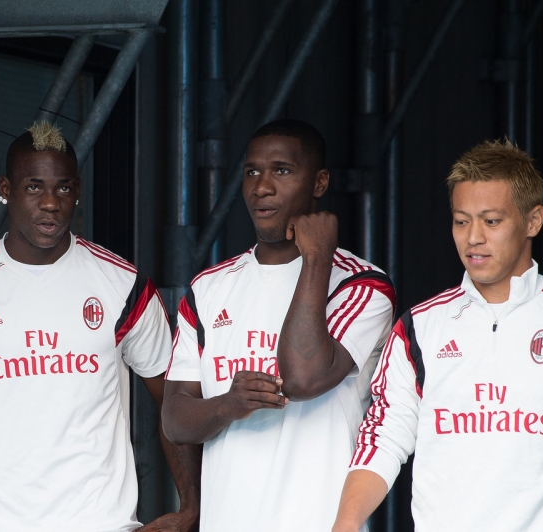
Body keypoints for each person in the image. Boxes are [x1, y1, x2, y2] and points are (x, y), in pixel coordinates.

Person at [332, 140, 543, 532]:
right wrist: (345, 524)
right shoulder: (418, 328)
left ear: (533, 221)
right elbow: (383, 437)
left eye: (492, 221)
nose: (473, 237)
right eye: (461, 221)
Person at [0, 122, 201, 532]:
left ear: (77, 191)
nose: (50, 203)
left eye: (63, 188)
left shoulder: (123, 286)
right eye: (33, 187)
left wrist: (192, 507)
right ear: (6, 189)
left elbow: (177, 403)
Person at [161, 119, 395, 532]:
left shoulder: (362, 284)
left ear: (319, 182)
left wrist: (317, 258)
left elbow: (303, 379)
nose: (262, 187)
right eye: (252, 171)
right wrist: (227, 405)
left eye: (282, 171)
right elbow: (175, 420)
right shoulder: (209, 288)